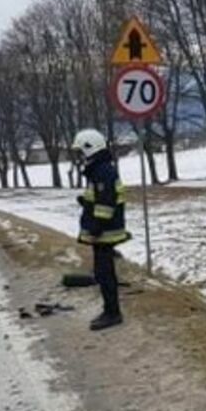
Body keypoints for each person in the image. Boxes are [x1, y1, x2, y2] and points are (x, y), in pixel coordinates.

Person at [72, 129, 130, 331]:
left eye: (81, 151)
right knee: (102, 272)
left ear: (90, 149)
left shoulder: (102, 171)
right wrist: (87, 203)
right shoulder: (99, 170)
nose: (80, 156)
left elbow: (106, 202)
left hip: (105, 232)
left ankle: (112, 313)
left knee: (105, 274)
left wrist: (96, 224)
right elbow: (99, 198)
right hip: (104, 230)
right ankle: (110, 310)